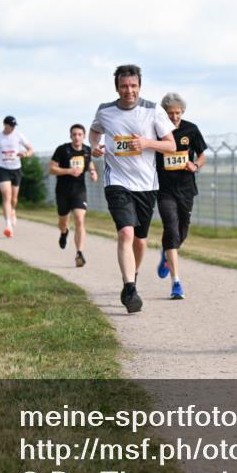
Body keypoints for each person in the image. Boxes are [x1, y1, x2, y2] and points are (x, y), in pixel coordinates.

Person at [89, 64, 175, 313]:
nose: (129, 91)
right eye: (124, 86)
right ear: (117, 87)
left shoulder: (153, 110)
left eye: (133, 86)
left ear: (140, 86)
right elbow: (94, 132)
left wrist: (147, 142)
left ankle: (132, 275)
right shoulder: (105, 111)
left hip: (146, 185)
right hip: (116, 181)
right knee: (125, 233)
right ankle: (129, 289)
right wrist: (95, 146)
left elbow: (170, 146)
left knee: (140, 240)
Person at [154, 92, 207, 300]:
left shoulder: (191, 129)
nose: (174, 117)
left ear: (182, 112)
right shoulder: (157, 130)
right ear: (164, 113)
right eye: (170, 113)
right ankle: (176, 283)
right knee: (170, 227)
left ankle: (167, 254)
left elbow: (202, 154)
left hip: (186, 189)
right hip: (164, 188)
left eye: (177, 113)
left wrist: (195, 165)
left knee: (182, 231)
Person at [50, 123, 97, 267]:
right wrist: (69, 171)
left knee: (79, 219)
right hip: (63, 191)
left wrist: (93, 172)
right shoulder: (62, 150)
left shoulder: (87, 151)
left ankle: (79, 253)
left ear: (83, 136)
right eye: (74, 134)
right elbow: (52, 169)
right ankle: (64, 233)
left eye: (80, 134)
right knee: (63, 222)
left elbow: (89, 165)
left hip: (79, 191)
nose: (77, 137)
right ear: (71, 136)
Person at [0, 116, 34, 238]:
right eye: (10, 125)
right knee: (7, 195)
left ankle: (12, 211)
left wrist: (26, 154)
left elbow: (31, 149)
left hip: (16, 169)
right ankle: (8, 226)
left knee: (14, 199)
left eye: (13, 126)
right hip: (3, 168)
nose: (12, 128)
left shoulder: (19, 135)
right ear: (5, 125)